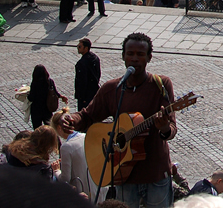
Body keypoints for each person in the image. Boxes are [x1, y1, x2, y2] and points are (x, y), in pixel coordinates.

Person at [61, 32, 177, 207]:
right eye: (130, 54)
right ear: (123, 56)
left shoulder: (160, 85)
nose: (134, 59)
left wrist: (164, 128)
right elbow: (87, 115)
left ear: (149, 58)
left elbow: (172, 129)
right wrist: (71, 119)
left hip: (156, 173)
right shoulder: (113, 89)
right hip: (123, 174)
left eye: (140, 54)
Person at [50, 108, 96, 197]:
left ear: (59, 128)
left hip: (83, 191)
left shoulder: (66, 147)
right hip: (96, 188)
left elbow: (65, 178)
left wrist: (56, 170)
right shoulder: (85, 136)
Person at [29, 64, 67, 129]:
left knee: (37, 129)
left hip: (36, 110)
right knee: (50, 128)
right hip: (47, 109)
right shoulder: (49, 81)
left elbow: (31, 98)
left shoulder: (35, 83)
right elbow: (54, 92)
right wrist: (61, 96)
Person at [75, 37, 101, 110]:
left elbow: (82, 81)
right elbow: (98, 74)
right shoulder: (95, 58)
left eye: (80, 46)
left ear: (86, 48)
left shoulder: (81, 63)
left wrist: (82, 97)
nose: (78, 48)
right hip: (94, 92)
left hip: (85, 96)